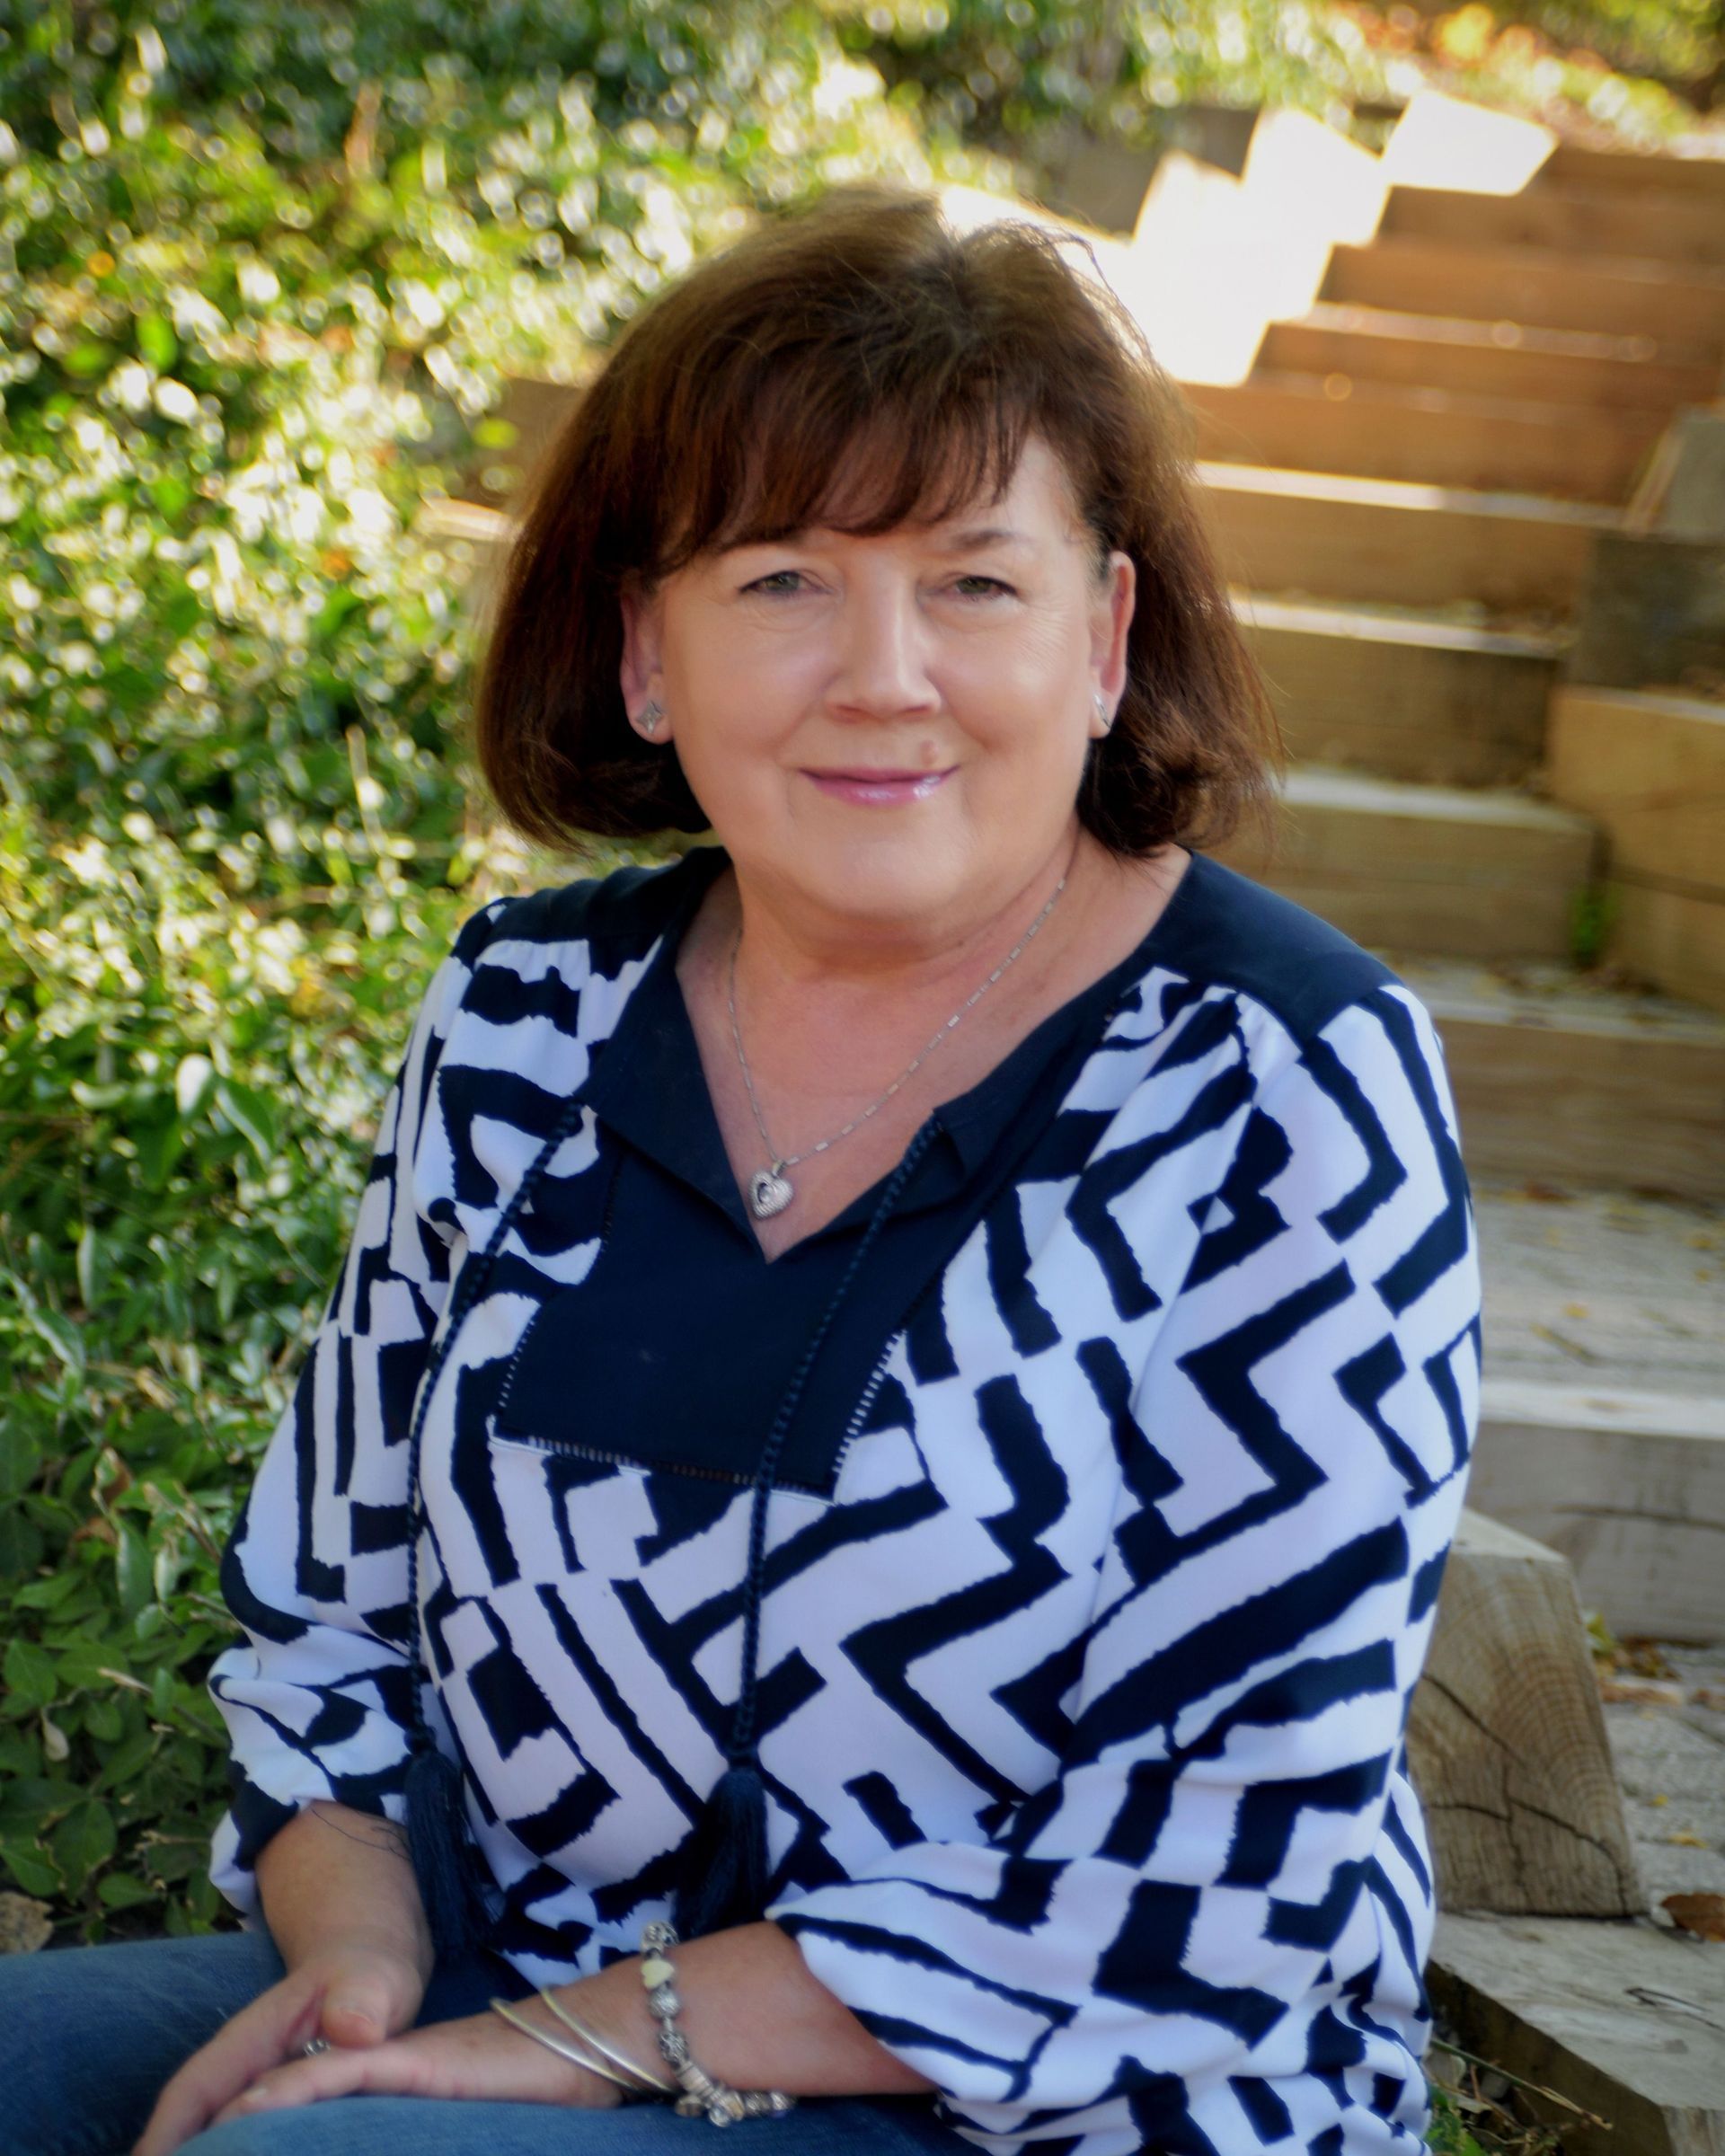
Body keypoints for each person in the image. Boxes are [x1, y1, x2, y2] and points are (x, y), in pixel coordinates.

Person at [2, 188, 1482, 2156]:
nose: (884, 674)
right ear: (642, 648)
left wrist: (542, 2055)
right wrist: (355, 1967)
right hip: (501, 1971)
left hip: (1055, 2100)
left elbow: (1229, 1859)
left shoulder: (1281, 1085)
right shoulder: (530, 1012)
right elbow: (328, 1614)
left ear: (1107, 636)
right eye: (781, 579)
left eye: (975, 581)